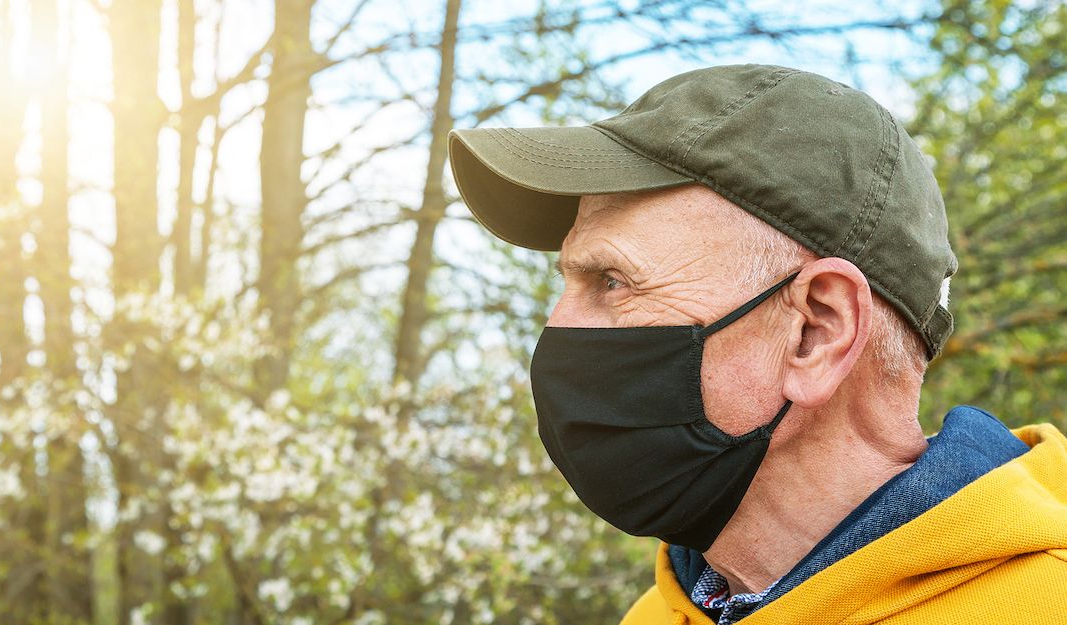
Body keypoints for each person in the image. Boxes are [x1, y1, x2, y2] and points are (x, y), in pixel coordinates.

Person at [447, 64, 1067, 624]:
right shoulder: (657, 614)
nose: (557, 331)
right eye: (568, 284)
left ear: (815, 331)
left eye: (612, 282)